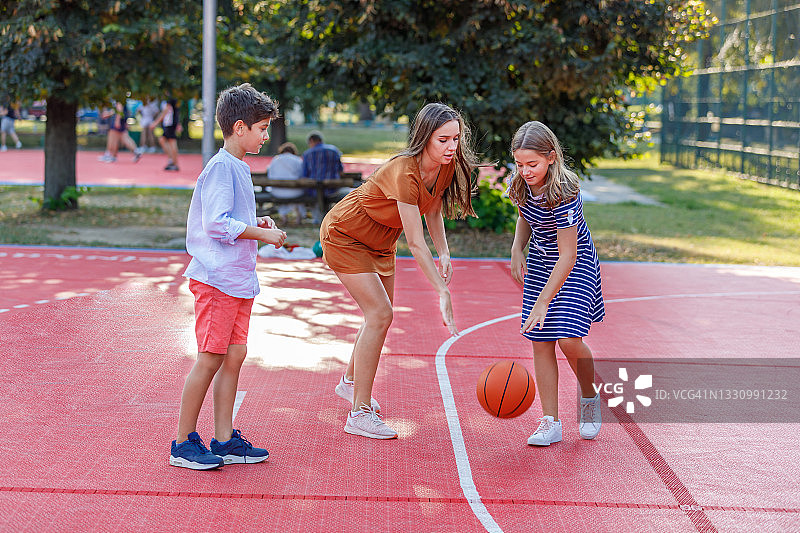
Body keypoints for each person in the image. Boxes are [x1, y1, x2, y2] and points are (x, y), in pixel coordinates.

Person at [320, 102, 477, 439]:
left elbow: (432, 210)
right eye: (443, 140)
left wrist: (445, 252)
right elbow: (416, 243)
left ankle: (350, 383)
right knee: (380, 314)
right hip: (346, 233)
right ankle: (358, 413)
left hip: (380, 241)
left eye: (455, 139)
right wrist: (442, 290)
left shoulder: (444, 166)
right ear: (425, 138)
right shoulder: (405, 171)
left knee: (377, 318)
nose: (451, 147)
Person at [170, 83, 286, 470]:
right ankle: (183, 442)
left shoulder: (237, 165)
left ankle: (223, 440)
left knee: (234, 355)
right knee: (210, 357)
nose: (266, 135)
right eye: (262, 128)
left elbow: (231, 220)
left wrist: (257, 222)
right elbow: (217, 224)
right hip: (217, 280)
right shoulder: (221, 167)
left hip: (237, 280)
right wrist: (262, 233)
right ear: (239, 127)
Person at [507, 121, 605, 447]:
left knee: (568, 339)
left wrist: (543, 301)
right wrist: (516, 247)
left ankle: (589, 396)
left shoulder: (565, 193)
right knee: (541, 340)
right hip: (540, 262)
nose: (525, 171)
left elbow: (567, 256)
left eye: (532, 164)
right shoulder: (521, 185)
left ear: (551, 157)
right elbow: (525, 215)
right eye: (519, 164)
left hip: (573, 263)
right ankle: (550, 421)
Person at [301, 131, 346, 222]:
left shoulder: (307, 154)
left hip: (314, 190)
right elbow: (340, 171)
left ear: (312, 141)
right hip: (333, 189)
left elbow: (305, 175)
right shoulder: (334, 151)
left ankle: (318, 219)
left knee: (313, 192)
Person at [266, 142, 306, 223]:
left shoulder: (275, 160)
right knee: (298, 192)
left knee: (282, 192)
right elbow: (303, 175)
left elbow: (269, 175)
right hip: (295, 192)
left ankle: (283, 216)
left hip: (277, 192)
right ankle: (299, 216)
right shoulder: (297, 160)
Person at [149, 97, 181, 171]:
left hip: (170, 124)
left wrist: (155, 123)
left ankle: (174, 163)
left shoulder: (170, 97)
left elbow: (166, 111)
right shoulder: (168, 97)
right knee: (162, 140)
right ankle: (172, 160)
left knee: (171, 142)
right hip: (169, 124)